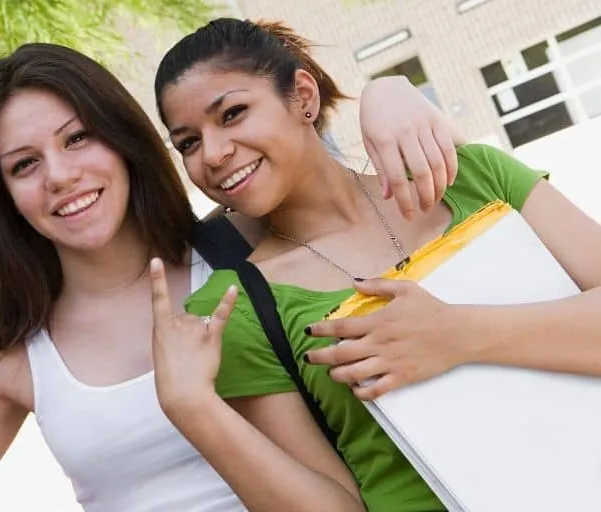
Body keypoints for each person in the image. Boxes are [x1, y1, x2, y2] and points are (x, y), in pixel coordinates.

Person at [0, 41, 459, 511]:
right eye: (24, 165)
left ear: (123, 137)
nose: (59, 176)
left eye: (78, 138)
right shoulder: (10, 360)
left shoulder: (256, 247)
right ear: (4, 196)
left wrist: (388, 91)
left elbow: (352, 181)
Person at [155, 17, 601, 512]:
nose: (212, 155)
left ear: (303, 95)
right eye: (188, 143)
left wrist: (461, 334)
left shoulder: (473, 177)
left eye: (233, 113)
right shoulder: (236, 307)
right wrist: (195, 411)